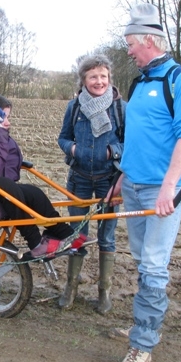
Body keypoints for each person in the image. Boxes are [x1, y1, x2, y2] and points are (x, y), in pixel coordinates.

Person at [109, 3, 181, 362]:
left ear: (149, 40)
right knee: (140, 258)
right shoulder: (142, 81)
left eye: (131, 43)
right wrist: (122, 176)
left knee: (153, 265)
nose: (128, 50)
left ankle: (142, 344)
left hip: (162, 192)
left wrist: (169, 188)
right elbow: (135, 136)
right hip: (132, 184)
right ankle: (141, 325)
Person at [0, 94, 96, 259]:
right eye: (3, 118)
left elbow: (0, 171)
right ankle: (36, 244)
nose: (8, 122)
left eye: (8, 117)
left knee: (32, 192)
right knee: (5, 187)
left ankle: (64, 234)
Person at [57, 54, 125, 314]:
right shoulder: (74, 107)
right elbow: (63, 138)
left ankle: (104, 293)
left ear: (110, 78)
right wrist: (72, 148)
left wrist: (112, 152)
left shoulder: (120, 108)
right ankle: (71, 288)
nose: (99, 81)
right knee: (78, 236)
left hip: (110, 181)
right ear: (84, 79)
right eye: (93, 76)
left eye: (103, 76)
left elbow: (129, 143)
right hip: (79, 180)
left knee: (107, 237)